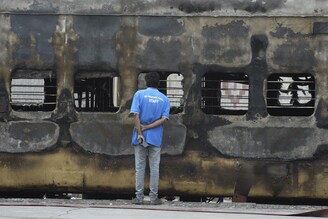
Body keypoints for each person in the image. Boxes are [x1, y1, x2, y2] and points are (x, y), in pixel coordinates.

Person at [130, 72, 170, 205]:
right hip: (156, 138)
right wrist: (149, 127)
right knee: (154, 168)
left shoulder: (139, 95)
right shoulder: (164, 98)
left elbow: (135, 114)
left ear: (146, 82)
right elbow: (164, 119)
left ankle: (139, 197)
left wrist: (141, 132)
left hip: (140, 137)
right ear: (158, 83)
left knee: (140, 167)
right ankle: (153, 198)